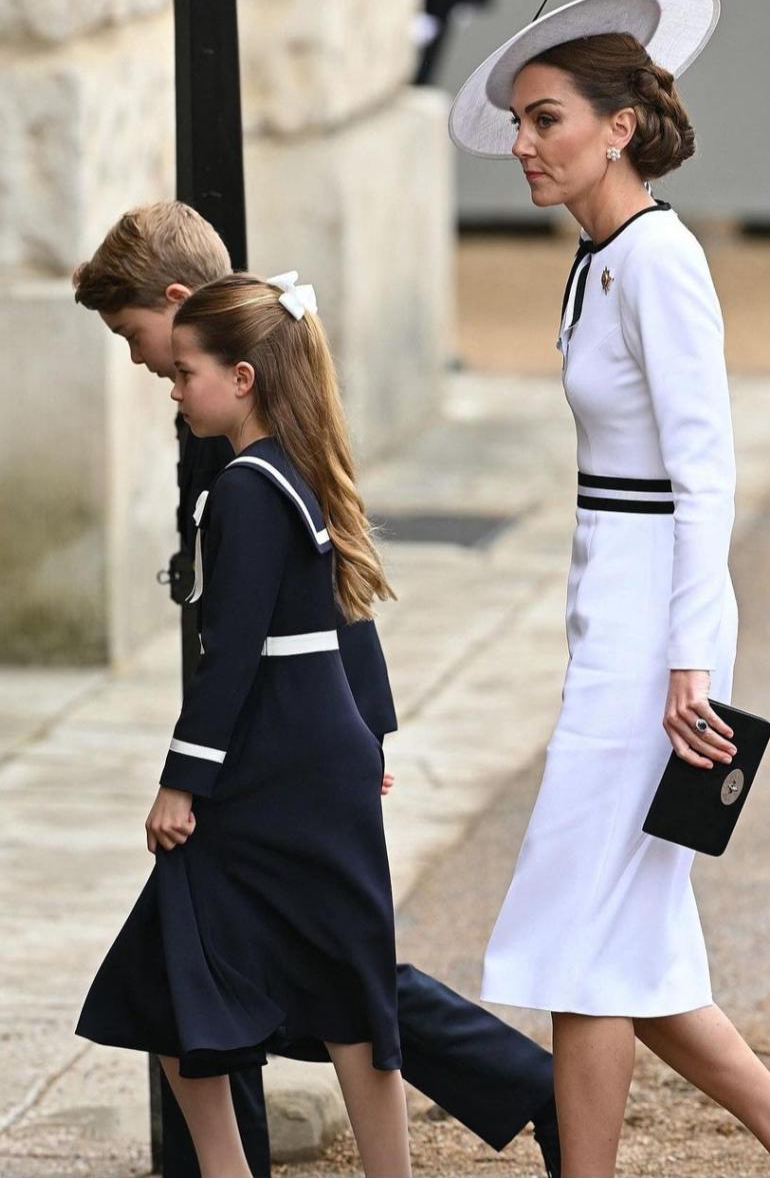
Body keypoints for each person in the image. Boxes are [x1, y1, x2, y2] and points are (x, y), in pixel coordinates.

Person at [448, 0, 770, 1178]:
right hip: (615, 615)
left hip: (660, 636)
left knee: (577, 932)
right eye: (519, 121)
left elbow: (707, 473)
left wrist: (689, 660)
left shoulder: (660, 260)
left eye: (546, 117)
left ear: (618, 126)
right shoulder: (595, 262)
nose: (523, 143)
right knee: (623, 939)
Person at [72, 203, 561, 1178]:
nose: (152, 377)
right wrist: (365, 728)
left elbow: (262, 636)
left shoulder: (249, 465)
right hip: (299, 753)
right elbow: (331, 605)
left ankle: (521, 1089)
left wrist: (190, 776)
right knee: (272, 977)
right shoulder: (277, 441)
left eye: (151, 352)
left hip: (276, 762)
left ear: (192, 325)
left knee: (331, 984)